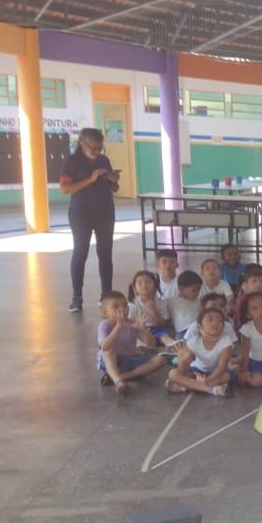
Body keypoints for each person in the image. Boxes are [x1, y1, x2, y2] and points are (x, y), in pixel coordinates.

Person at [60, 127, 119, 312]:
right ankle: (77, 297)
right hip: (81, 213)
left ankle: (106, 294)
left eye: (99, 148)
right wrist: (91, 179)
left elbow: (114, 189)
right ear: (83, 144)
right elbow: (65, 189)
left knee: (105, 254)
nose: (96, 152)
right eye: (93, 148)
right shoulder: (72, 161)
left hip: (105, 211)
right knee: (80, 253)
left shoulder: (103, 160)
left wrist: (114, 180)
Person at [97, 292, 164, 394]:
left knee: (161, 359)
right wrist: (118, 327)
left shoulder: (132, 323)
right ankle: (118, 381)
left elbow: (151, 345)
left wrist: (144, 329)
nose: (122, 309)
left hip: (131, 359)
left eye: (125, 305)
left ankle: (121, 377)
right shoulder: (104, 326)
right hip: (113, 363)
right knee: (108, 354)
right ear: (105, 312)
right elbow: (105, 347)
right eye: (116, 307)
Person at [165, 307, 233, 396]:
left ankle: (187, 386)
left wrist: (207, 380)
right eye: (210, 319)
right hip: (197, 371)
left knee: (227, 375)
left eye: (220, 321)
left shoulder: (226, 341)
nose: (215, 323)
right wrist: (183, 361)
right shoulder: (194, 342)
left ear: (223, 327)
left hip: (217, 374)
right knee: (172, 374)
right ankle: (211, 389)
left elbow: (221, 367)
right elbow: (182, 369)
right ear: (199, 327)